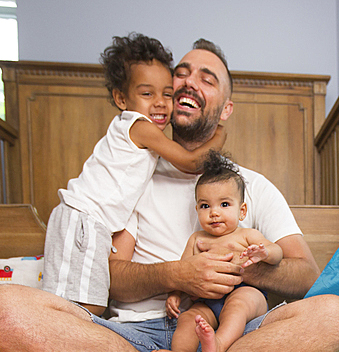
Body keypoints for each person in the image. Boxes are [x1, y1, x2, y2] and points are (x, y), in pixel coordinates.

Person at [0, 39, 339, 352]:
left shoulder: (250, 186)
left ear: (225, 109)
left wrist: (239, 270)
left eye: (207, 79)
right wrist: (178, 275)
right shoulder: (131, 177)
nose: (189, 82)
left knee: (333, 317)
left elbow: (306, 276)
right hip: (137, 339)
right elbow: (112, 277)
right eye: (182, 76)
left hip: (229, 337)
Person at [42, 33, 225, 316]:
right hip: (83, 219)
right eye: (147, 94)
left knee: (88, 307)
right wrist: (220, 136)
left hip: (93, 224)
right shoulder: (139, 126)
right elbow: (191, 162)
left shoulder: (136, 130)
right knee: (77, 308)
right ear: (121, 98)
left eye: (167, 94)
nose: (161, 103)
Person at [149, 151, 281, 352]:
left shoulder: (247, 235)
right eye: (205, 206)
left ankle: (218, 344)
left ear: (242, 211)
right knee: (189, 317)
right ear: (197, 209)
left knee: (238, 305)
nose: (214, 213)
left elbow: (278, 252)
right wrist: (174, 294)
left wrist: (264, 253)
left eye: (224, 204)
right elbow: (183, 271)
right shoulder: (197, 239)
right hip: (208, 302)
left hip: (247, 293)